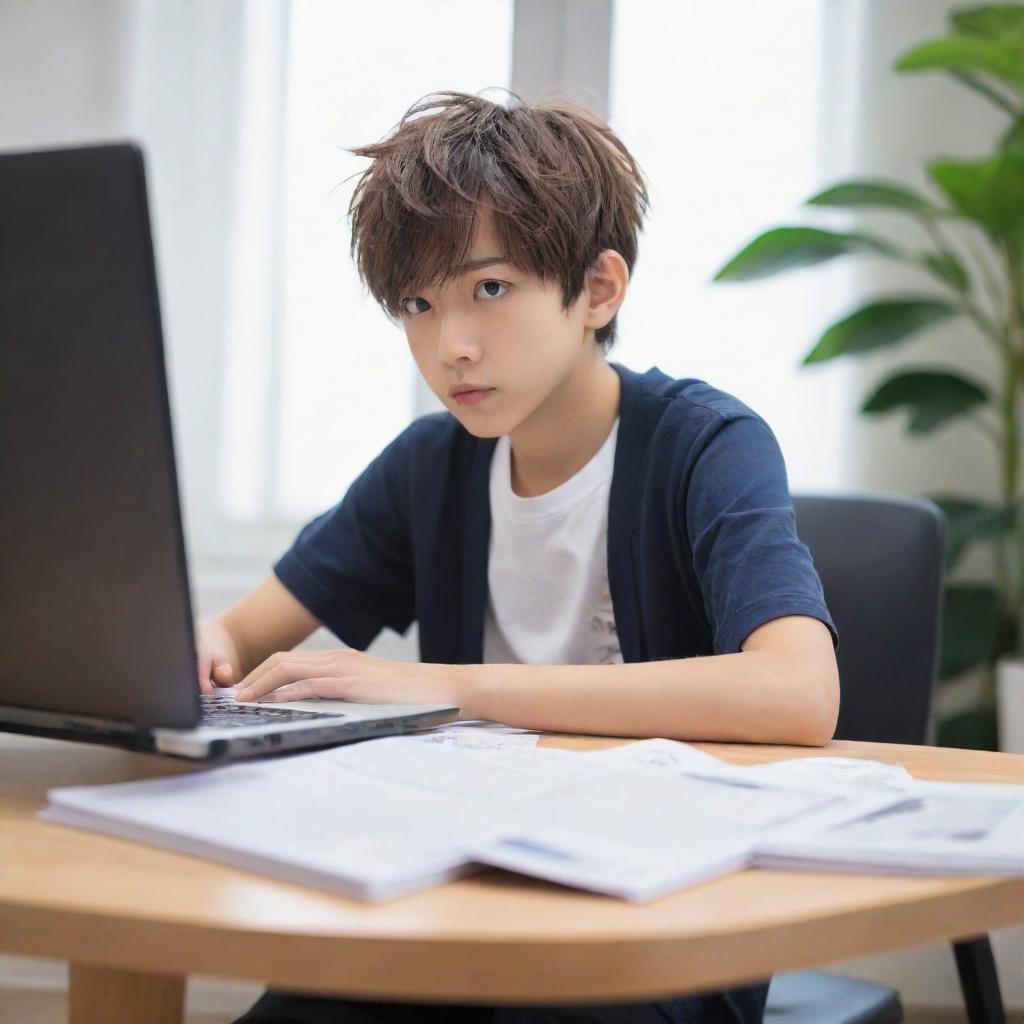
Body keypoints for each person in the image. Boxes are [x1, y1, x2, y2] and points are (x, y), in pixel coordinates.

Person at [198, 91, 840, 1024]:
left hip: (661, 914)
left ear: (600, 290)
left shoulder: (707, 443)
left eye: (488, 289)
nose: (449, 346)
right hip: (461, 893)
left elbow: (798, 692)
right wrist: (201, 647)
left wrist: (451, 687)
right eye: (418, 304)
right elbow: (242, 631)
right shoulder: (430, 466)